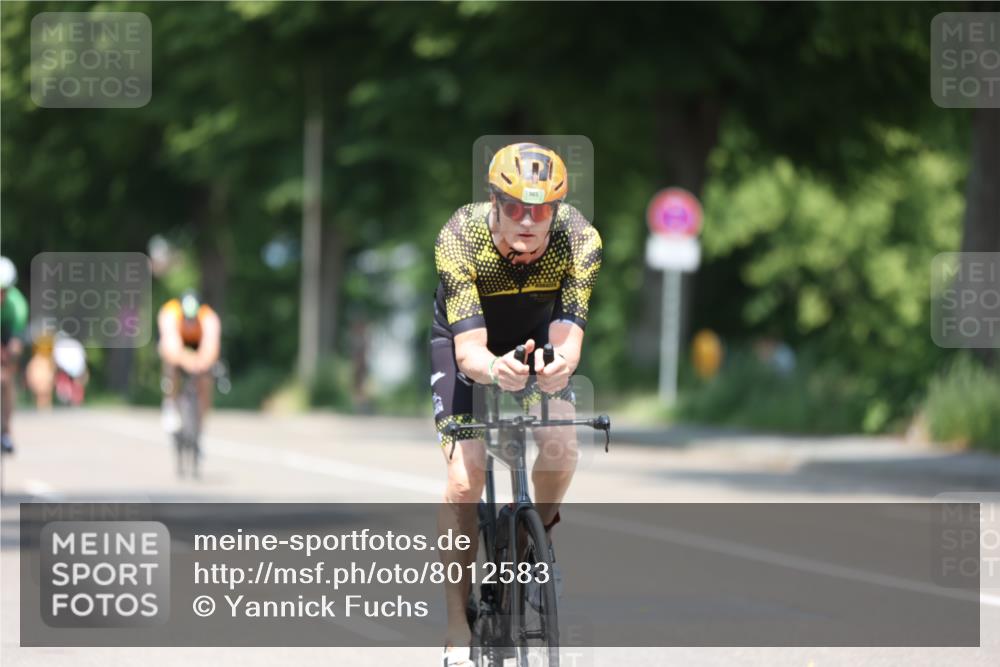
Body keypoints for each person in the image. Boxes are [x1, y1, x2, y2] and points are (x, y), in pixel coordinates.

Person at [430, 143, 602, 665]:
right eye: (515, 208)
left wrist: (560, 367)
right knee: (466, 478)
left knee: (560, 446)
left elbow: (568, 339)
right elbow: (470, 354)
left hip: (534, 341)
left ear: (556, 210)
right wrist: (492, 369)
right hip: (468, 342)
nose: (528, 221)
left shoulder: (580, 240)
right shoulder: (460, 236)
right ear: (494, 201)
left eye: (541, 209)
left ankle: (531, 548)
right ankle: (457, 626)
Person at [157, 290, 221, 435]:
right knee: (170, 365)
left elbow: (211, 346)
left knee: (206, 378)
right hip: (177, 345)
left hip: (198, 348)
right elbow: (170, 345)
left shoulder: (208, 316)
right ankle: (170, 403)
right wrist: (185, 360)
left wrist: (202, 362)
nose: (189, 322)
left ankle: (201, 423)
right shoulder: (171, 311)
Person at [1, 256, 28, 455]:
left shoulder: (17, 305)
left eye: (4, 291)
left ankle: (6, 429)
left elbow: (16, 343)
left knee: (6, 376)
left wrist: (9, 356)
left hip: (6, 335)